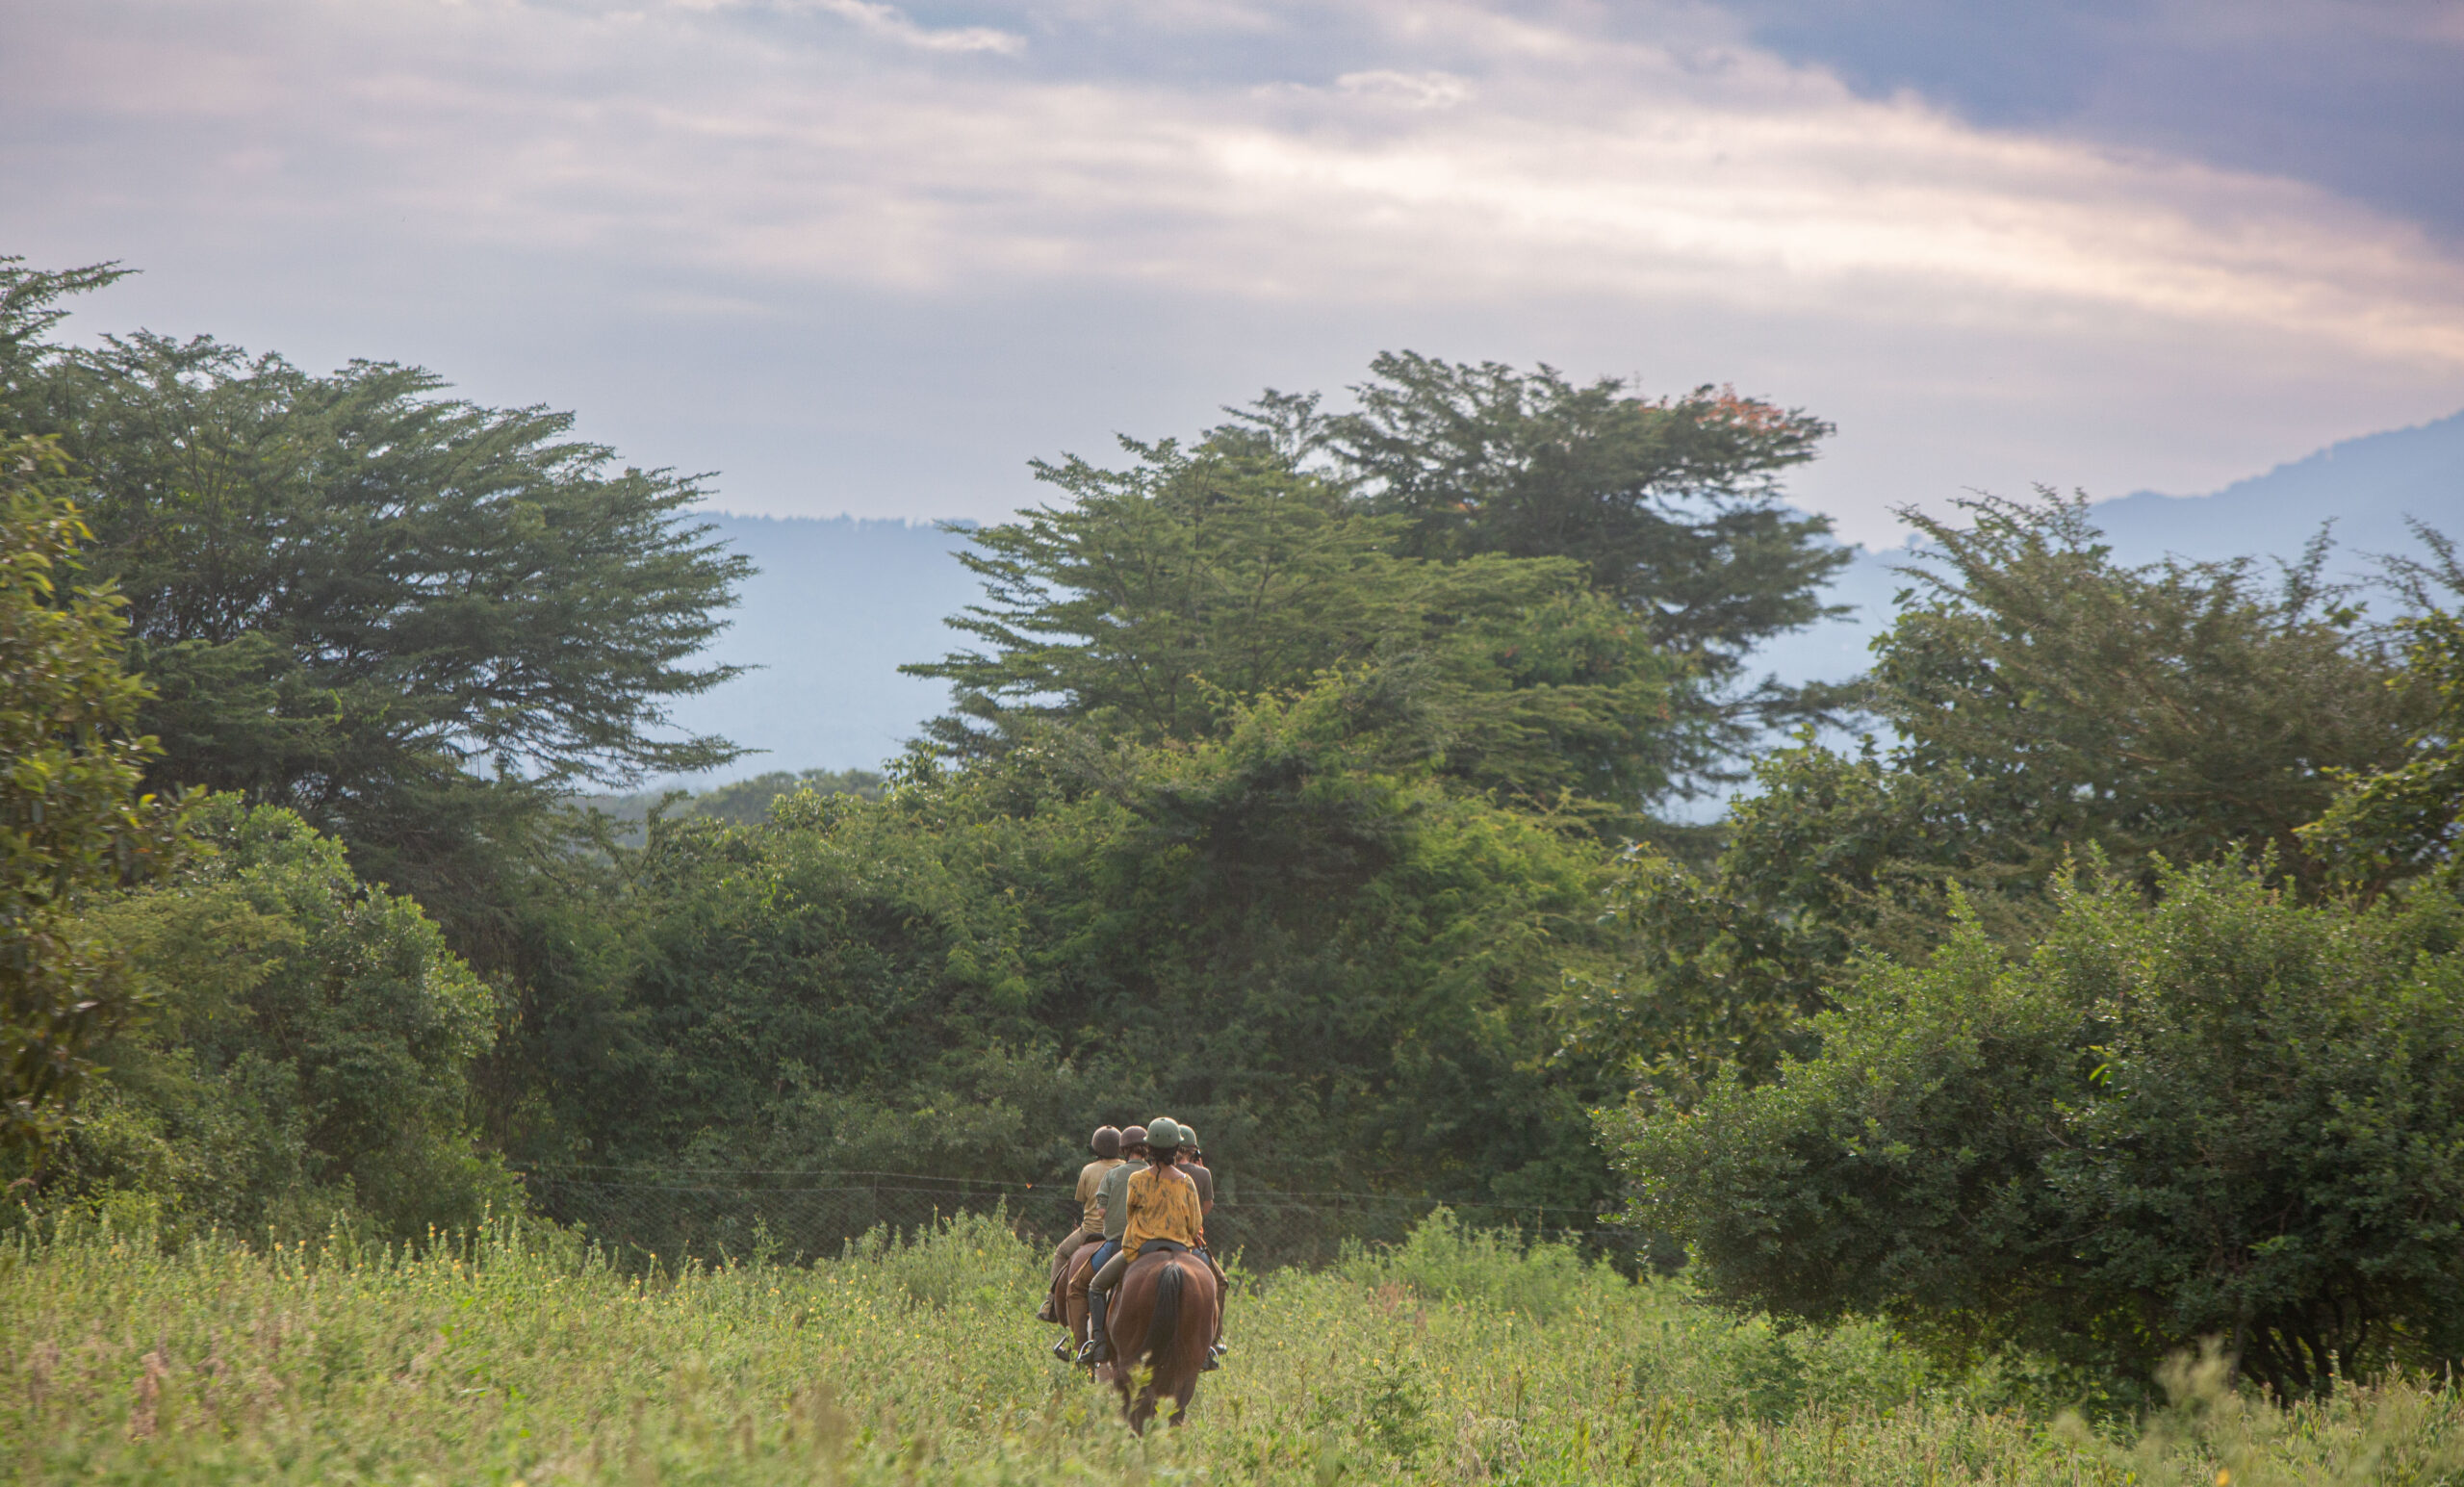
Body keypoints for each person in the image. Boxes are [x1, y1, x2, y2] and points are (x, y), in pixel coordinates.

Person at [1080, 1116, 1206, 1366]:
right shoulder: (1187, 1182)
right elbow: (1194, 1224)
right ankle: (1210, 1346)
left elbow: (1131, 1215)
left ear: (1150, 1149)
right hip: (1181, 1248)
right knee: (1211, 1285)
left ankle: (1099, 1344)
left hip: (1141, 1249)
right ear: (1175, 1150)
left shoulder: (1136, 1180)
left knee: (1095, 1286)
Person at [1058, 1123, 1146, 1360]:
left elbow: (1101, 1212)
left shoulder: (1109, 1174)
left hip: (1117, 1244)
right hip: (1151, 1245)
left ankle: (1089, 1344)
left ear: (1124, 1149)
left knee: (1081, 1286)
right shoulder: (1155, 1174)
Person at [1038, 1125, 1124, 1323]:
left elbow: (1083, 1200)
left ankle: (1050, 1303)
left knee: (1061, 1252)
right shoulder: (1126, 1168)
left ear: (1096, 1149)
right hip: (1121, 1232)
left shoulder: (1088, 1170)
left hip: (1091, 1231)